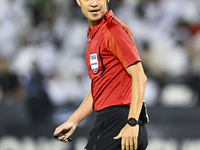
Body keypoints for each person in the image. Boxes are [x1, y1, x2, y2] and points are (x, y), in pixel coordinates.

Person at [54, 0, 149, 150]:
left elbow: (139, 76)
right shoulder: (95, 34)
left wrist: (132, 122)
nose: (94, 3)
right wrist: (73, 121)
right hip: (111, 119)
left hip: (120, 119)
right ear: (78, 1)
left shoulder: (113, 29)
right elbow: (100, 88)